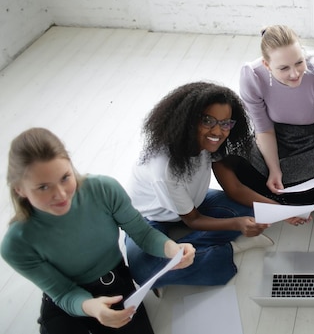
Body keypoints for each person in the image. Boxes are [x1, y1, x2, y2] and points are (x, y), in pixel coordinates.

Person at [0, 127, 195, 334]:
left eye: (65, 177)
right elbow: (63, 293)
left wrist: (172, 249)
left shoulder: (104, 189)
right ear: (19, 189)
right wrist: (91, 307)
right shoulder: (16, 245)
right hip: (67, 298)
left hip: (114, 285)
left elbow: (143, 234)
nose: (61, 194)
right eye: (43, 187)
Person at [124, 81, 275, 290]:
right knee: (144, 270)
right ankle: (228, 249)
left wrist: (280, 209)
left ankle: (194, 255)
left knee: (252, 210)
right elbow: (193, 220)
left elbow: (235, 189)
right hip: (150, 218)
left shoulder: (214, 143)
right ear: (187, 120)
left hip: (193, 203)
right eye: (208, 121)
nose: (218, 131)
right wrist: (238, 224)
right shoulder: (164, 168)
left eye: (225, 123)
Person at [235, 25, 314, 212]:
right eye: (283, 68)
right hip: (277, 137)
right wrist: (274, 169)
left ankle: (290, 197)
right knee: (241, 168)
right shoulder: (252, 76)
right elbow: (264, 131)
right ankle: (299, 195)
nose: (295, 74)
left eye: (299, 62)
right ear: (266, 65)